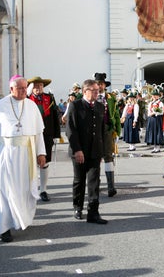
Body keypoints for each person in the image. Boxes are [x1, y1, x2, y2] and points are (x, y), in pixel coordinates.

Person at [0, 75, 47, 242]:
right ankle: (4, 227)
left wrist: (41, 153)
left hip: (27, 155)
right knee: (4, 191)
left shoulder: (31, 106)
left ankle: (21, 220)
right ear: (11, 89)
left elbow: (38, 134)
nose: (24, 91)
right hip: (4, 154)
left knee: (24, 189)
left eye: (25, 88)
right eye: (20, 88)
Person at [66, 79, 108, 224]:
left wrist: (102, 151)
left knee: (94, 182)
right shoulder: (75, 105)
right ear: (85, 91)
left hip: (95, 151)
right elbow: (71, 130)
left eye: (98, 90)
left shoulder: (100, 106)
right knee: (79, 180)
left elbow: (102, 131)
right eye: (94, 90)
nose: (97, 93)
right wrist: (77, 150)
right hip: (79, 150)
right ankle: (78, 207)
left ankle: (93, 212)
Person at [27, 76, 62, 202]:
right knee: (30, 162)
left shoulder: (49, 98)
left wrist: (57, 135)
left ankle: (43, 190)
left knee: (44, 161)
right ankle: (31, 189)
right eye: (36, 86)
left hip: (46, 134)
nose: (38, 88)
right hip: (30, 135)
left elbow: (54, 116)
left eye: (40, 86)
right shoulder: (26, 99)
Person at [95, 73, 122, 197]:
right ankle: (94, 184)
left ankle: (111, 186)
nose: (99, 86)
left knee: (108, 156)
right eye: (97, 83)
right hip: (93, 130)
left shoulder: (110, 98)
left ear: (105, 85)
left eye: (101, 84)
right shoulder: (91, 96)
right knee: (94, 157)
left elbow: (116, 115)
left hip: (107, 129)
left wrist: (117, 131)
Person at [145, 87, 164, 153]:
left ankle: (158, 147)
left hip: (157, 119)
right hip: (151, 119)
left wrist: (154, 112)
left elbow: (161, 111)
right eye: (153, 95)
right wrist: (150, 114)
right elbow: (148, 110)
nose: (154, 96)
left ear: (158, 96)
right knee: (152, 132)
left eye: (156, 95)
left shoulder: (160, 103)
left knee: (157, 132)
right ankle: (154, 147)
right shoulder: (150, 103)